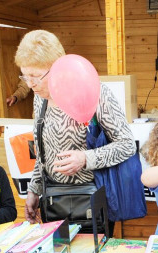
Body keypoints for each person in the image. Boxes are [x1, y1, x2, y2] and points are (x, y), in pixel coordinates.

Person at [13, 30, 136, 224]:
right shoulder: (39, 98)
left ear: (57, 68)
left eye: (35, 76)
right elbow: (42, 153)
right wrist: (34, 189)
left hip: (91, 197)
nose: (30, 85)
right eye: (25, 76)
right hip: (53, 198)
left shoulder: (96, 91)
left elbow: (127, 145)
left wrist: (85, 158)